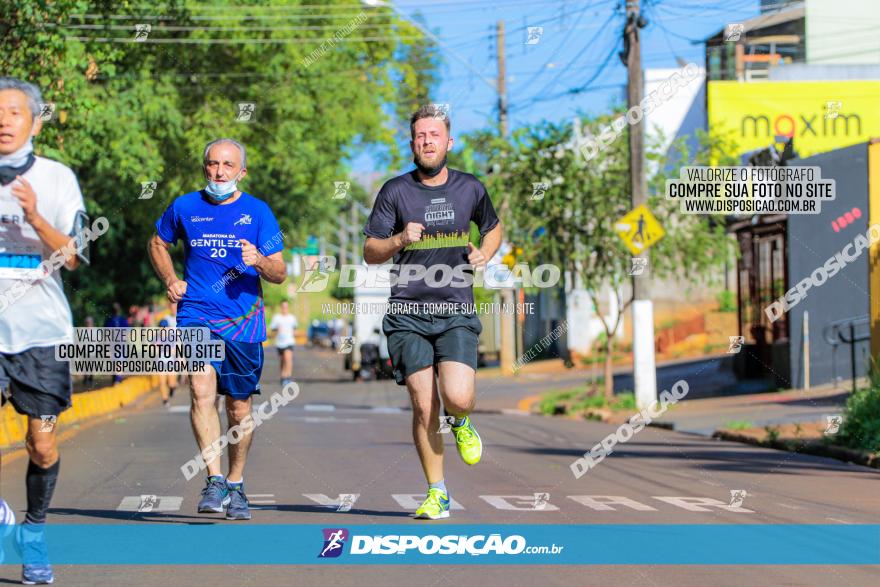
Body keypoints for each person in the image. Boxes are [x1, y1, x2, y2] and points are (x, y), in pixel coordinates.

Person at [363, 105, 502, 520]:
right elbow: (370, 252)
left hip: (455, 308)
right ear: (412, 144)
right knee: (424, 406)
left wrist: (485, 253)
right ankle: (437, 492)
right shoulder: (394, 191)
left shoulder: (470, 188)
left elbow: (492, 227)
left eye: (434, 135)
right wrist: (399, 239)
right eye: (420, 136)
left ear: (448, 142)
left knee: (457, 397)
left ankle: (461, 421)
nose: (427, 141)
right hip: (407, 311)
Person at [148, 138, 285, 521]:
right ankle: (214, 479)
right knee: (200, 390)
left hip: (244, 320)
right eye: (213, 164)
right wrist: (171, 279)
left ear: (242, 171)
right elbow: (157, 243)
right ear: (204, 167)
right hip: (196, 314)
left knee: (239, 407)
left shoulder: (258, 213)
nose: (219, 171)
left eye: (228, 165)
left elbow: (279, 272)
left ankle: (237, 484)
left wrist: (258, 259)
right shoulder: (185, 207)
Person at [0, 76, 91, 584]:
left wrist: (34, 214)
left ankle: (32, 535)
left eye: (14, 111)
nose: (3, 120)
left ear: (35, 121)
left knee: (42, 444)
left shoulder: (57, 178)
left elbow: (75, 257)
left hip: (42, 336)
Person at [269, 300, 297, 387]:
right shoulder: (277, 318)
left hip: (289, 341)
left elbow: (295, 328)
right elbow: (272, 328)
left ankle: (287, 377)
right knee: (282, 360)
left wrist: (294, 333)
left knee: (288, 358)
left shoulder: (292, 318)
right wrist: (277, 329)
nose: (285, 308)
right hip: (280, 342)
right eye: (283, 307)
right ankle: (282, 376)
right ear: (281, 307)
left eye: (286, 307)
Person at [157, 302, 178, 407]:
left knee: (171, 382)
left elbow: (174, 350)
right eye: (161, 328)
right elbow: (155, 349)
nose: (163, 330)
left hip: (171, 361)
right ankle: (165, 399)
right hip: (160, 361)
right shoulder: (158, 338)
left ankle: (172, 388)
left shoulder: (172, 338)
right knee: (161, 382)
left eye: (165, 328)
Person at [104, 302, 129, 385]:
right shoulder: (109, 321)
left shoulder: (121, 320)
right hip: (114, 346)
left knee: (118, 364)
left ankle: (117, 380)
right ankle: (117, 380)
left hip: (120, 346)